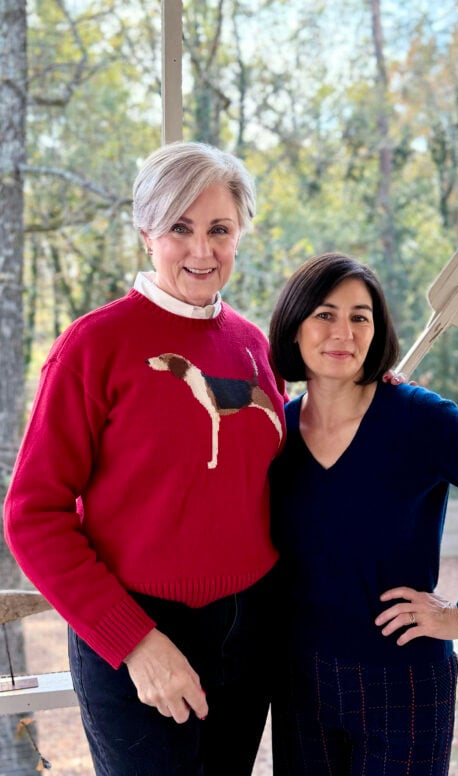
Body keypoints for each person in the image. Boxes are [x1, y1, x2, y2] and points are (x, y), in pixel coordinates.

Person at [4, 141, 287, 776]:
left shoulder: (251, 347)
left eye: (219, 229)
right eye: (179, 229)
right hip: (136, 633)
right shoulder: (94, 346)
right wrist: (134, 642)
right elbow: (33, 514)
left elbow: (276, 466)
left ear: (240, 232)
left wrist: (367, 392)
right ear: (146, 234)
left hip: (246, 630)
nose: (201, 250)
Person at [267, 251, 458, 776]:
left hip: (403, 681)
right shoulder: (275, 432)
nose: (343, 331)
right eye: (325, 314)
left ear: (377, 329)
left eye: (359, 316)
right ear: (294, 328)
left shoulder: (420, 419)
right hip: (300, 682)